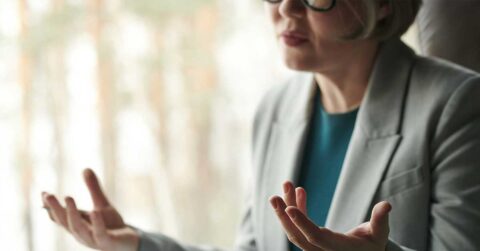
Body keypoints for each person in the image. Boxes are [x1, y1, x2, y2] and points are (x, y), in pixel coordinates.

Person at [41, 0, 480, 250]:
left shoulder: (456, 104)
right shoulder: (275, 109)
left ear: (383, 4)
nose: (287, 8)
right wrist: (138, 246)